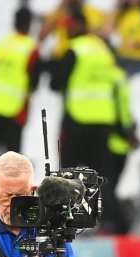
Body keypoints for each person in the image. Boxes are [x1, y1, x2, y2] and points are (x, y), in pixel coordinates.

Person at [0, 7, 39, 212]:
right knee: (13, 169)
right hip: (13, 112)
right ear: (30, 25)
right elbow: (33, 83)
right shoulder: (30, 47)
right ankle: (13, 210)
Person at [50, 8, 118, 197]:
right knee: (100, 175)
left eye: (69, 27)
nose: (67, 32)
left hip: (77, 120)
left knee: (69, 174)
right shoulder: (103, 49)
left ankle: (69, 220)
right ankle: (105, 221)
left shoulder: (75, 50)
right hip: (103, 119)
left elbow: (55, 83)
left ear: (79, 26)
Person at [105, 65, 140, 234]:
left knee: (107, 189)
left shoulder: (108, 79)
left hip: (112, 143)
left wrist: (127, 134)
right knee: (108, 188)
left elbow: (118, 112)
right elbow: (125, 111)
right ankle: (116, 225)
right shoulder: (120, 77)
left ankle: (121, 227)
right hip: (120, 144)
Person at [40, 0, 106, 60]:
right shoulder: (58, 13)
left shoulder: (93, 12)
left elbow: (102, 35)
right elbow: (41, 36)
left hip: (84, 56)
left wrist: (83, 28)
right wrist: (61, 9)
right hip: (61, 57)